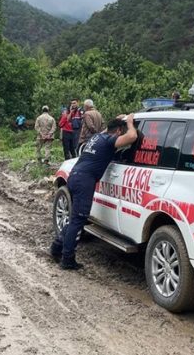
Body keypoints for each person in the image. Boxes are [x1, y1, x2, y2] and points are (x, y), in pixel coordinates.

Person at [50, 114, 138, 270]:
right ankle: (67, 259)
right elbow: (132, 137)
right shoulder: (111, 140)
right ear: (118, 131)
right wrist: (130, 123)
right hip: (85, 181)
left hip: (75, 176)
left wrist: (117, 121)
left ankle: (57, 247)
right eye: (121, 132)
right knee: (79, 220)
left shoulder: (98, 137)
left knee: (75, 217)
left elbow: (107, 130)